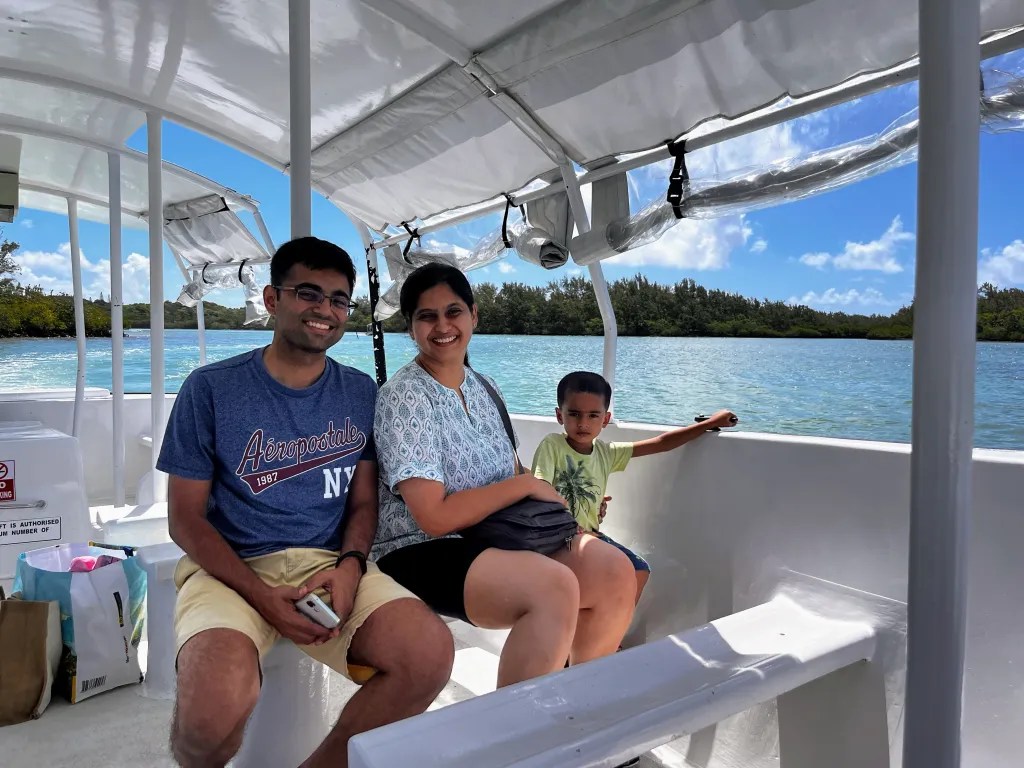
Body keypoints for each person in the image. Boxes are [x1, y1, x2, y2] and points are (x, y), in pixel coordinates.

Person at [157, 237, 454, 768]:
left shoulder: (361, 392)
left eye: (339, 300)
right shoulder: (210, 389)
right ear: (272, 300)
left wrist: (349, 567)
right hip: (229, 566)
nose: (325, 310)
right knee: (209, 714)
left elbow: (363, 503)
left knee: (427, 655)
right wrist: (261, 595)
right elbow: (184, 519)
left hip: (327, 565)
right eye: (309, 294)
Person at [371, 263, 636, 689]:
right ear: (411, 328)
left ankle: (581, 702)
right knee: (553, 588)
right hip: (420, 548)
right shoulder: (404, 396)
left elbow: (511, 468)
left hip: (494, 532)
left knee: (614, 572)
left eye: (453, 312)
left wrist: (556, 499)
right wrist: (527, 484)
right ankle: (514, 741)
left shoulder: (484, 385)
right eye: (427, 316)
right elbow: (433, 517)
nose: (442, 326)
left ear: (473, 315)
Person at [532, 371, 738, 604]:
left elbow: (660, 444)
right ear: (560, 415)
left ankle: (611, 635)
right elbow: (541, 488)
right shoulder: (553, 445)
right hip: (560, 537)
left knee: (639, 570)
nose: (583, 423)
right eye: (574, 414)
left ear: (606, 419)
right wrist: (573, 524)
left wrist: (711, 423)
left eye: (593, 415)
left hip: (590, 535)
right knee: (604, 573)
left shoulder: (606, 453)